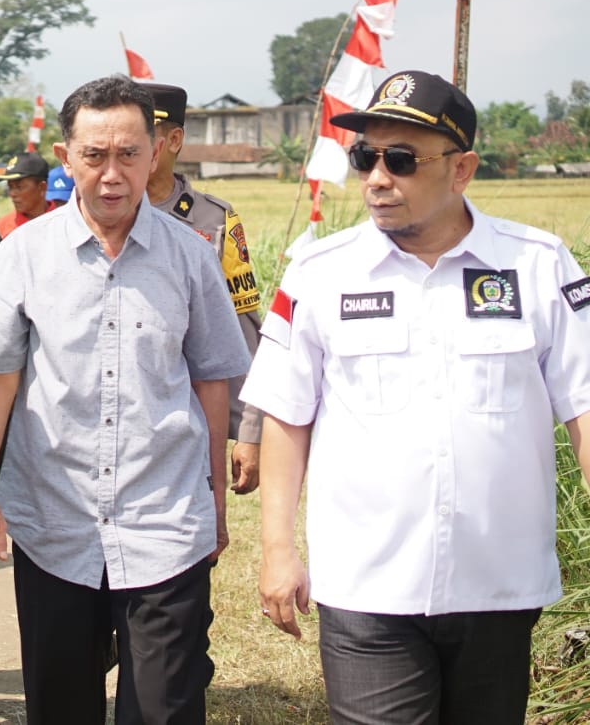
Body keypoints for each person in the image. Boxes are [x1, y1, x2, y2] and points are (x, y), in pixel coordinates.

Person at [244, 70, 590, 725]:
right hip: (367, 584)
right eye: (364, 157)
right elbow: (288, 414)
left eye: (400, 160)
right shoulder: (321, 275)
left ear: (462, 170)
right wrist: (278, 547)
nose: (377, 177)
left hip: (500, 580)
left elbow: (584, 405)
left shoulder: (539, 266)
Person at [0, 75, 249, 723]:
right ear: (67, 159)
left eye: (128, 154)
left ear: (156, 154)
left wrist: (215, 505)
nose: (112, 173)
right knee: (62, 705)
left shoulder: (192, 257)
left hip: (165, 522)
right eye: (94, 156)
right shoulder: (23, 254)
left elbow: (211, 380)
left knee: (164, 709)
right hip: (52, 520)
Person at [145, 83, 264, 493]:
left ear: (174, 139)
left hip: (191, 417)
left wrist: (250, 428)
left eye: (147, 132)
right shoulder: (95, 212)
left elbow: (243, 327)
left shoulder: (215, 220)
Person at [0, 153, 56, 238]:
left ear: (42, 187)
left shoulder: (65, 222)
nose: (12, 194)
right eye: (10, 187)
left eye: (19, 187)